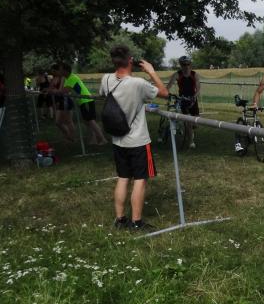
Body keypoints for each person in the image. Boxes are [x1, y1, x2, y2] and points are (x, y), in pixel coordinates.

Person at [99, 46, 168, 230]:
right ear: (130, 60)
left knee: (123, 177)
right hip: (138, 140)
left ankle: (120, 219)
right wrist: (151, 71)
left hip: (118, 139)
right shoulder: (138, 83)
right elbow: (164, 93)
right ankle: (137, 222)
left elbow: (103, 94)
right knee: (140, 179)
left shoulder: (106, 79)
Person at [52, 62, 107, 145]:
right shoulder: (67, 78)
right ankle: (94, 139)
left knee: (91, 121)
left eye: (60, 70)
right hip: (83, 101)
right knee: (87, 122)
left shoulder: (72, 78)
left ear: (65, 71)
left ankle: (103, 139)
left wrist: (53, 91)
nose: (59, 71)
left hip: (86, 100)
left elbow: (63, 91)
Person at [166, 55, 201, 148]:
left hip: (193, 99)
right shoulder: (177, 74)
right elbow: (169, 86)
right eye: (183, 64)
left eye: (187, 64)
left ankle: (191, 130)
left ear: (190, 64)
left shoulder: (194, 74)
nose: (186, 66)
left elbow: (198, 88)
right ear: (181, 65)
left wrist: (194, 96)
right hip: (182, 100)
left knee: (195, 123)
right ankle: (191, 142)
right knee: (188, 122)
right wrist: (166, 93)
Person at [48, 64, 77, 142]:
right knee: (58, 122)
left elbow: (60, 91)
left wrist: (54, 91)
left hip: (66, 100)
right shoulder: (54, 78)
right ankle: (67, 135)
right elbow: (50, 90)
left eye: (53, 71)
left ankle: (72, 138)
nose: (52, 72)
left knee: (68, 121)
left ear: (57, 70)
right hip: (60, 101)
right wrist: (53, 90)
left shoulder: (63, 78)